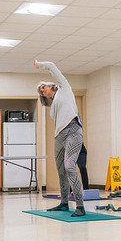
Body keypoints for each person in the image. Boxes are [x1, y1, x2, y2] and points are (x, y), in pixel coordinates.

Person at [35, 60, 85, 217]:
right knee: (61, 171)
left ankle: (80, 206)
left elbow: (52, 66)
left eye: (44, 87)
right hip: (59, 136)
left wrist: (40, 64)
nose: (44, 91)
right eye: (41, 91)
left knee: (70, 166)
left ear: (52, 85)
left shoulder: (65, 88)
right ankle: (64, 203)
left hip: (74, 131)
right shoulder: (54, 105)